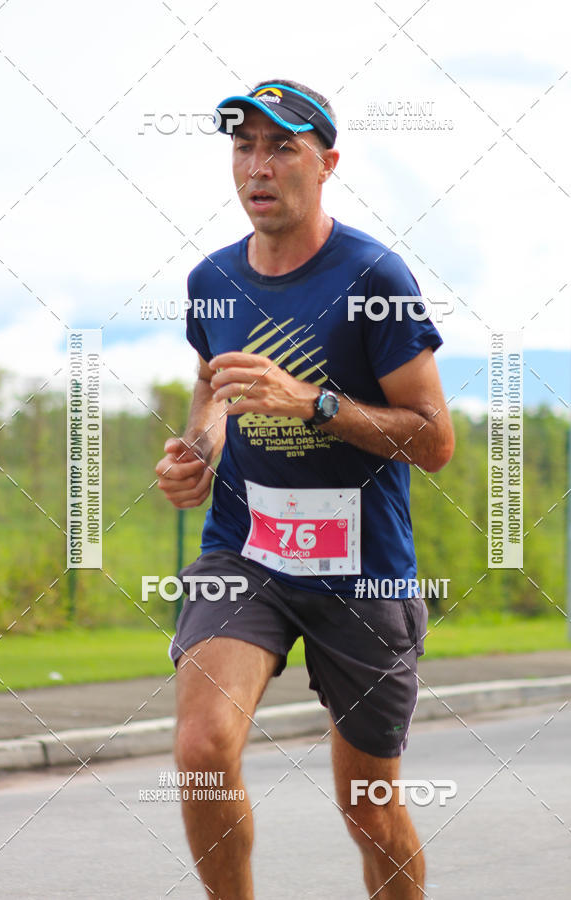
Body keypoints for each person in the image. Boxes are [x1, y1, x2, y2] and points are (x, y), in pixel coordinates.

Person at [156, 78, 455, 899]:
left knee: (369, 804)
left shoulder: (374, 277)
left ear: (326, 164)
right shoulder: (211, 277)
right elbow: (215, 386)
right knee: (201, 749)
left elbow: (434, 439)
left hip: (363, 571)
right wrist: (196, 453)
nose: (258, 164)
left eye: (281, 146)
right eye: (244, 145)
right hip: (246, 554)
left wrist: (314, 403)